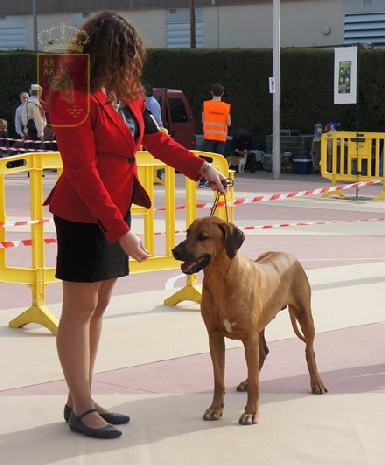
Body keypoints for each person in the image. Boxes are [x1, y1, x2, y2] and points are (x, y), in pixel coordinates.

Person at [42, 10, 227, 440]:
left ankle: (80, 396)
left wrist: (201, 168)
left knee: (99, 306)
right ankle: (81, 406)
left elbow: (157, 140)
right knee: (79, 309)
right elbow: (82, 170)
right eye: (125, 55)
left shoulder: (124, 91)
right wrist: (120, 230)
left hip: (114, 208)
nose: (132, 64)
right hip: (83, 213)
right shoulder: (71, 93)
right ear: (106, 53)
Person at [201, 83, 231, 186]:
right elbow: (229, 122)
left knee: (206, 160)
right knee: (219, 160)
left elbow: (203, 120)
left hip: (209, 136)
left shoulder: (206, 105)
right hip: (221, 137)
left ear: (211, 92)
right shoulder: (226, 107)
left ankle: (203, 181)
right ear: (222, 94)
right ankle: (221, 181)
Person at [144, 84, 166, 180]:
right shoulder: (149, 102)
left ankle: (157, 175)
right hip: (154, 130)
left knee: (156, 152)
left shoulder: (151, 103)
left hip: (155, 131)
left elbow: (156, 118)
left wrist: (158, 128)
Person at [21, 84, 47, 152]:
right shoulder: (35, 103)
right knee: (38, 150)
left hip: (30, 128)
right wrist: (40, 133)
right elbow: (38, 119)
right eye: (41, 91)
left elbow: (23, 117)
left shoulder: (27, 102)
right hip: (35, 129)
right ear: (38, 92)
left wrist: (26, 128)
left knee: (31, 150)